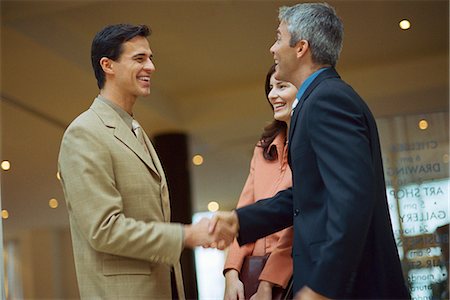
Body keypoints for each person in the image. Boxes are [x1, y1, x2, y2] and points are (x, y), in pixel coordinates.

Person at [210, 3, 410, 300]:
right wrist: (242, 221)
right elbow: (305, 194)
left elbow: (352, 199)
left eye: (278, 38)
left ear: (301, 47)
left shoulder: (327, 100)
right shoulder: (315, 101)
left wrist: (322, 288)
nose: (272, 48)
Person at [58, 24, 226, 299]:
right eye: (139, 58)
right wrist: (185, 236)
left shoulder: (135, 129)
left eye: (151, 58)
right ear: (107, 65)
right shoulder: (84, 133)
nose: (151, 67)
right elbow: (104, 229)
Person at [223, 64, 296, 300]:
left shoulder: (309, 146)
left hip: (291, 274)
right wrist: (232, 273)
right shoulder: (262, 149)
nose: (272, 94)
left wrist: (268, 281)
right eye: (270, 87)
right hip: (251, 272)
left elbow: (299, 224)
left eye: (282, 86)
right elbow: (245, 212)